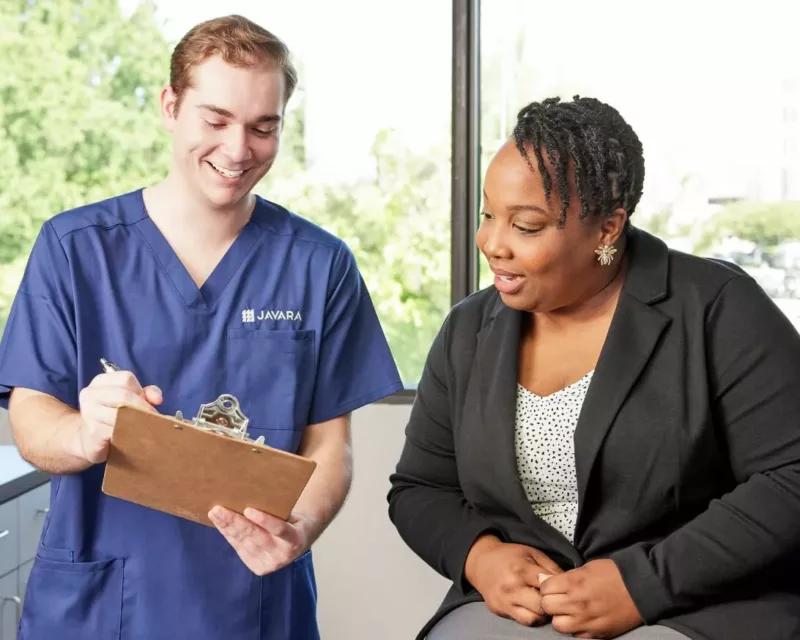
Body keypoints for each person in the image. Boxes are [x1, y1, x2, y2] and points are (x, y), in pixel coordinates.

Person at [0, 14, 403, 640]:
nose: (238, 149)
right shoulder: (75, 249)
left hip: (253, 603)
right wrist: (86, 432)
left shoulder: (318, 265)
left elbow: (331, 446)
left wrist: (302, 528)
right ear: (170, 106)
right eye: (215, 120)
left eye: (262, 127)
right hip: (100, 603)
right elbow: (30, 418)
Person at [387, 95, 800, 640]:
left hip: (694, 603)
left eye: (526, 226)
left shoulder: (719, 307)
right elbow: (420, 488)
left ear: (607, 228)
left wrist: (644, 583)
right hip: (526, 612)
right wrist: (481, 557)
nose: (491, 243)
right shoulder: (468, 329)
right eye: (488, 214)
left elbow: (790, 477)